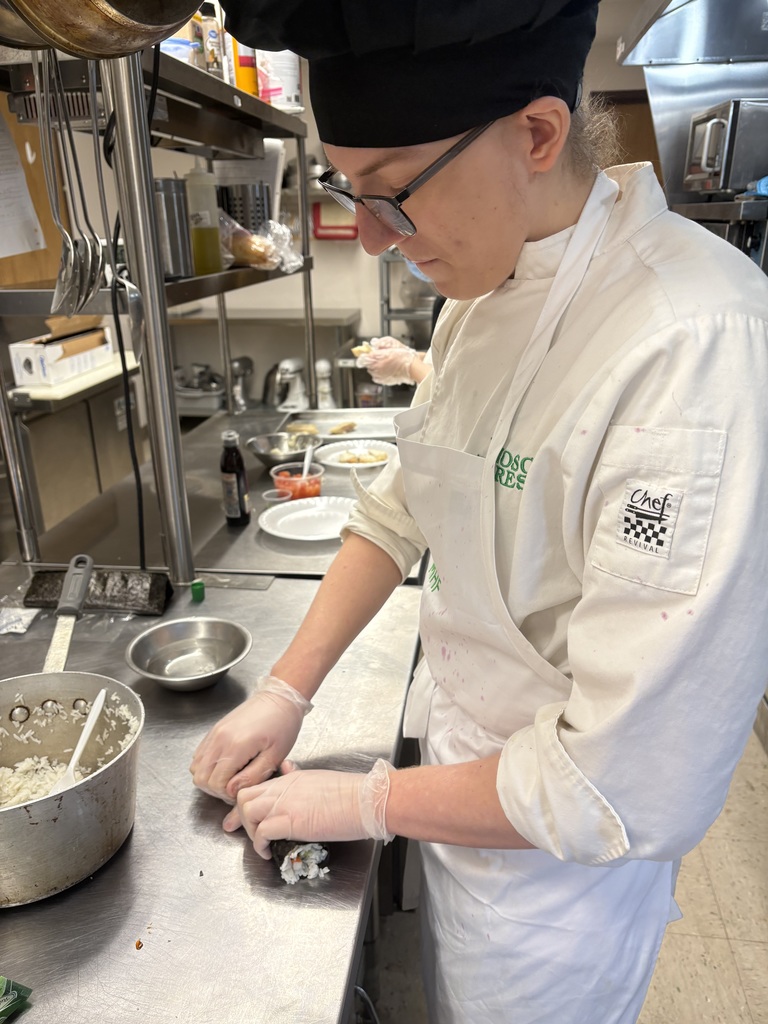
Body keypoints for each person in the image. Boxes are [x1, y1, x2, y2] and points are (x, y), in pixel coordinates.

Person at [191, 3, 768, 1021]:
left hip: (559, 901)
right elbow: (405, 498)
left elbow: (616, 783)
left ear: (538, 134)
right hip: (461, 807)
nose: (368, 239)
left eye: (392, 196)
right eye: (347, 191)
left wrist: (369, 798)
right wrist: (287, 688)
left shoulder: (694, 342)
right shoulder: (482, 292)